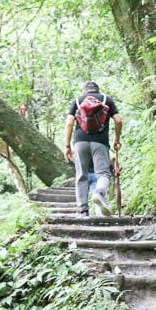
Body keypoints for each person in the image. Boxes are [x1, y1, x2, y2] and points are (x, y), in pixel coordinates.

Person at [64, 81, 122, 217]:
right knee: (103, 173)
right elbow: (118, 120)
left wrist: (67, 146)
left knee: (81, 176)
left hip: (80, 142)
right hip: (100, 142)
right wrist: (117, 139)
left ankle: (83, 211)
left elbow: (69, 123)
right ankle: (100, 193)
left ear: (84, 91)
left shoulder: (77, 101)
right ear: (98, 90)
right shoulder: (107, 100)